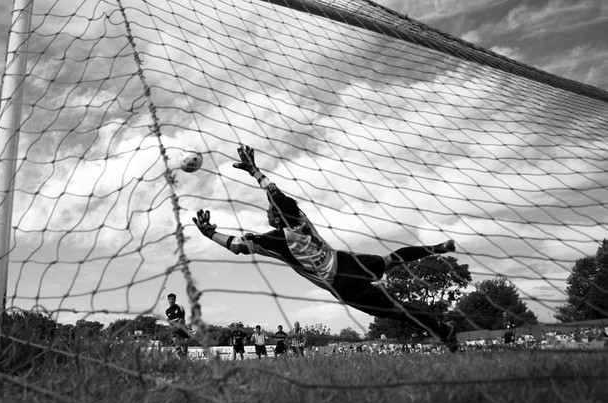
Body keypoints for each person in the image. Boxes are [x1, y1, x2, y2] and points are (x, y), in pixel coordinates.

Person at [193, 144, 459, 351]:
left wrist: (210, 233)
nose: (266, 212)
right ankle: (435, 248)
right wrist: (254, 171)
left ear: (275, 217)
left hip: (341, 283)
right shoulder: (300, 219)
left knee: (397, 310)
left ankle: (441, 329)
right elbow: (274, 192)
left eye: (268, 211)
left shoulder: (273, 241)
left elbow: (236, 245)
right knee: (389, 260)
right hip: (346, 261)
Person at [165, 293, 189, 357]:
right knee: (177, 346)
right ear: (168, 300)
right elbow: (170, 322)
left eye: (172, 299)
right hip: (175, 331)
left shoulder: (180, 307)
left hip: (182, 329)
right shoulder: (167, 311)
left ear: (175, 300)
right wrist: (170, 324)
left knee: (185, 349)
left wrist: (175, 325)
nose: (171, 301)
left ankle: (185, 359)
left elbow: (182, 319)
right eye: (169, 299)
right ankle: (182, 359)